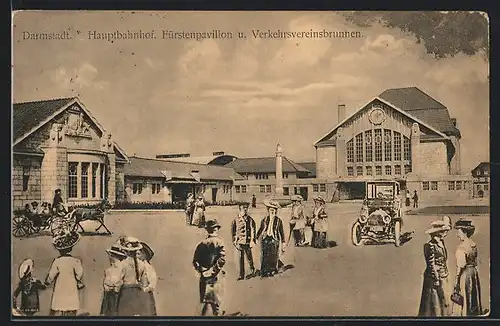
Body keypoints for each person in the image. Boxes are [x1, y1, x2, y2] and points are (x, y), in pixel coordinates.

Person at [45, 230, 85, 316]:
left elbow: (51, 275)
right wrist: (77, 278)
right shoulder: (75, 261)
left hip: (60, 284)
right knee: (71, 304)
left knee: (59, 303)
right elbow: (79, 273)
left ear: (59, 251)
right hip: (71, 284)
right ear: (70, 249)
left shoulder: (57, 261)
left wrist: (47, 282)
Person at [192, 219, 227, 316]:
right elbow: (221, 260)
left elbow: (195, 261)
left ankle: (213, 315)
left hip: (204, 276)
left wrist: (202, 271)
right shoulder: (220, 242)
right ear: (215, 230)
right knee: (213, 301)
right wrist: (212, 271)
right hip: (216, 276)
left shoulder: (201, 244)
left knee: (208, 300)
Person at [418, 220, 452, 317]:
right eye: (443, 231)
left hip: (443, 274)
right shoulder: (430, 245)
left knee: (444, 300)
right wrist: (436, 278)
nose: (445, 233)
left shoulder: (441, 243)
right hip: (434, 278)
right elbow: (431, 264)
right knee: (434, 301)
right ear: (437, 232)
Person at [452, 218, 484, 316]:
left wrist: (456, 281)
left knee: (465, 294)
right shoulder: (473, 244)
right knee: (473, 294)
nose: (458, 235)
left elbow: (460, 266)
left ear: (464, 232)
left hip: (465, 274)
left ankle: (465, 315)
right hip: (473, 272)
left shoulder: (461, 247)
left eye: (459, 232)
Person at [115, 236, 153, 316]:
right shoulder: (142, 264)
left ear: (126, 251)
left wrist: (116, 289)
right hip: (137, 292)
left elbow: (118, 281)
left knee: (124, 315)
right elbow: (143, 281)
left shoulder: (122, 264)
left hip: (126, 292)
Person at [256, 199, 286, 277]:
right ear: (268, 210)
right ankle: (265, 270)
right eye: (270, 210)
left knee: (273, 255)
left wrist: (283, 242)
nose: (272, 211)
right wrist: (255, 238)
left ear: (276, 211)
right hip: (265, 239)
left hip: (274, 239)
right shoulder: (264, 220)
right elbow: (260, 229)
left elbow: (281, 232)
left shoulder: (279, 221)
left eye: (274, 210)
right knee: (265, 255)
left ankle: (272, 270)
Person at [231, 201, 257, 281]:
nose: (245, 210)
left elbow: (253, 229)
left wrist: (252, 240)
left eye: (246, 208)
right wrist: (234, 241)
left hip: (247, 242)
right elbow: (233, 231)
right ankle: (241, 274)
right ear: (240, 209)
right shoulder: (235, 220)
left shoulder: (250, 219)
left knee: (249, 257)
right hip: (239, 242)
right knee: (240, 259)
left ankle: (252, 269)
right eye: (243, 208)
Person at [100, 245, 127, 316]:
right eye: (111, 255)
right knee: (106, 311)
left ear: (117, 257)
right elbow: (105, 281)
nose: (110, 257)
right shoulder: (108, 270)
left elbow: (122, 280)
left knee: (116, 311)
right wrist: (106, 286)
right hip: (108, 294)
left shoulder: (122, 268)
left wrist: (116, 287)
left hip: (117, 294)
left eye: (112, 255)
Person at [137, 241, 158, 316]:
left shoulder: (148, 267)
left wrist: (144, 290)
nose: (136, 256)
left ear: (144, 255)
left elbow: (153, 283)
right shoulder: (136, 266)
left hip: (145, 295)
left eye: (138, 254)